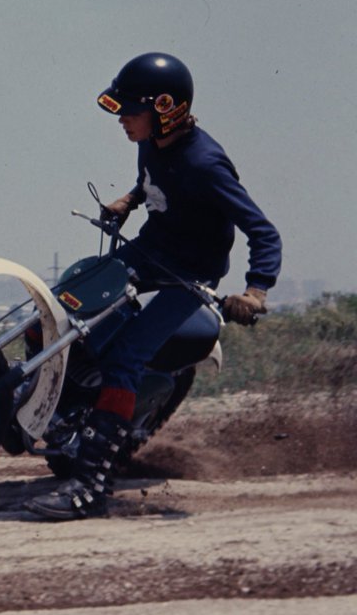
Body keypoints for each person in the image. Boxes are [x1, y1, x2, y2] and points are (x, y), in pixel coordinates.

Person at [25, 52, 282, 520]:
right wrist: (130, 198)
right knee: (61, 307)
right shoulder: (153, 140)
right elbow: (155, 180)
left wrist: (256, 290)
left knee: (126, 356)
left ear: (167, 109)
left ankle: (89, 489)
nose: (123, 119)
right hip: (147, 252)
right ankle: (47, 408)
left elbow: (263, 231)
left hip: (190, 274)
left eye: (131, 110)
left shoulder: (207, 164)